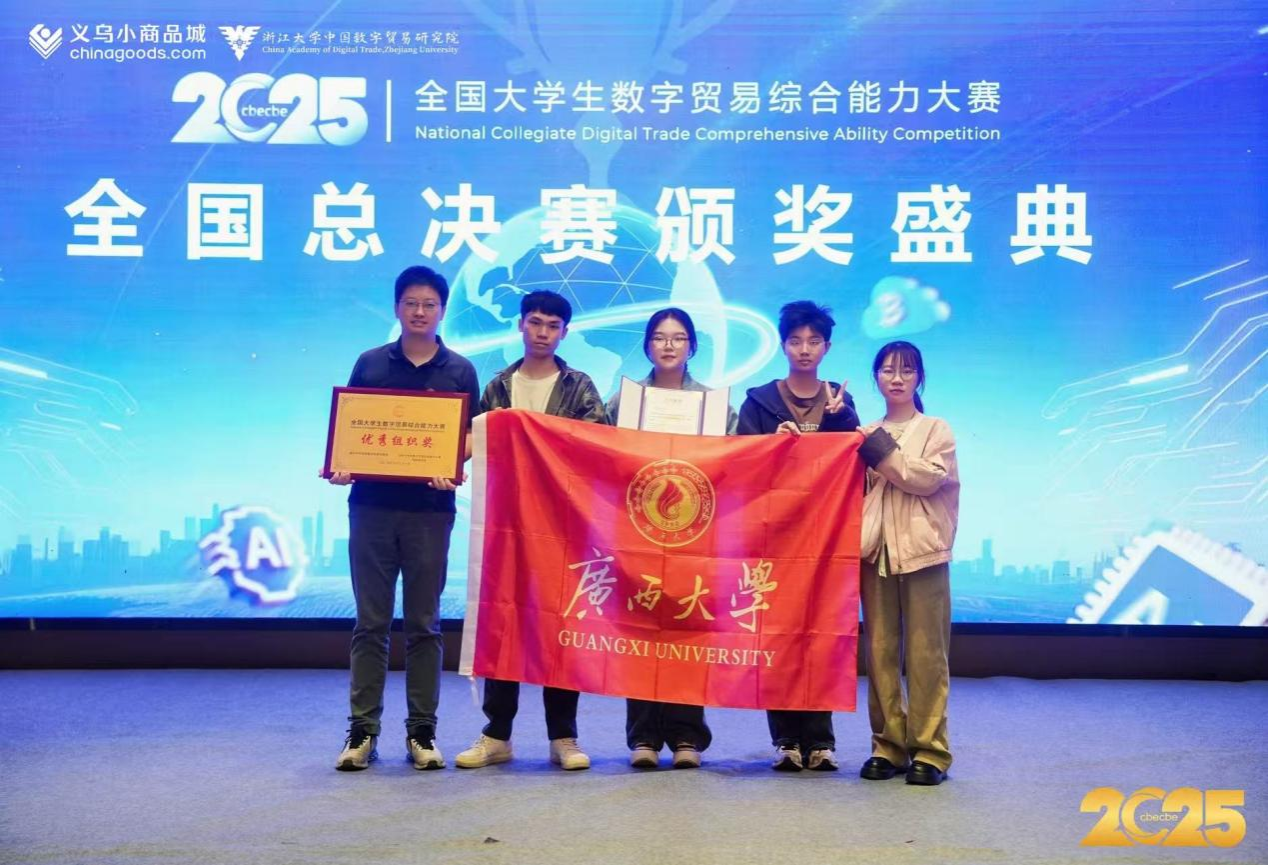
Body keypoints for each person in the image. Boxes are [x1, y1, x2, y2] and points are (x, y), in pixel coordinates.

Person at [330, 265, 481, 772]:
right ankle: (362, 732)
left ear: (442, 311)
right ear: (397, 308)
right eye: (411, 303)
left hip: (430, 513)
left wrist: (451, 463)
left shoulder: (460, 370)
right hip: (371, 507)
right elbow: (351, 427)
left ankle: (422, 731)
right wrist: (343, 464)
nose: (420, 312)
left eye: (429, 305)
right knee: (370, 623)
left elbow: (469, 436)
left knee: (424, 624)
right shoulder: (371, 363)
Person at [456, 290, 607, 771]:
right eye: (535, 322)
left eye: (552, 326)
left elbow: (599, 449)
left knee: (563, 628)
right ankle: (496, 734)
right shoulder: (498, 387)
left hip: (564, 527)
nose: (543, 333)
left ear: (565, 332)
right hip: (506, 525)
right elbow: (474, 442)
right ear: (520, 325)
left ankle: (564, 736)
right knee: (504, 625)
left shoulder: (580, 387)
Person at [604, 307, 736, 770]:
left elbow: (736, 460)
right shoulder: (624, 403)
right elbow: (600, 455)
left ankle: (686, 736)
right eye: (660, 337)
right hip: (637, 532)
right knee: (639, 632)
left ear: (692, 346)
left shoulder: (713, 406)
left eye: (679, 338)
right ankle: (642, 736)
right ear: (647, 345)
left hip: (694, 535)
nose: (668, 345)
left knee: (688, 631)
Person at [736, 300, 859, 772]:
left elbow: (856, 462)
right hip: (774, 537)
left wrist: (838, 422)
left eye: (814, 341)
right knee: (778, 636)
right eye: (795, 341)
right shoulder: (759, 402)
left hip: (826, 539)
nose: (804, 349)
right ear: (783, 345)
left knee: (822, 635)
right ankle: (786, 739)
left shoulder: (841, 402)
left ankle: (821, 740)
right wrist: (773, 445)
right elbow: (740, 465)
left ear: (827, 347)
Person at [856, 340, 959, 786]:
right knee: (879, 653)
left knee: (926, 654)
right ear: (876, 377)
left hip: (923, 553)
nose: (896, 378)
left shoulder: (936, 429)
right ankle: (888, 746)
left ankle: (930, 751)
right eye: (887, 370)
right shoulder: (864, 431)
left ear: (919, 378)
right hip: (874, 551)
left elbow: (925, 479)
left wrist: (875, 447)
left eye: (906, 370)